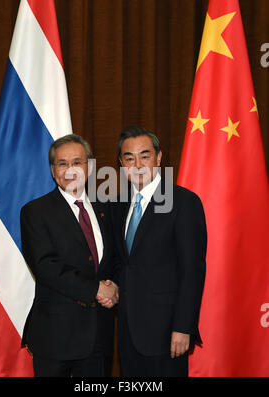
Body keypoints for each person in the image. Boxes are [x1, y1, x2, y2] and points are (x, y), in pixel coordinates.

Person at [110, 126, 207, 377]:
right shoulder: (117, 205)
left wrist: (183, 327)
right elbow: (122, 264)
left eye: (145, 155)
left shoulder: (183, 202)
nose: (138, 164)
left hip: (168, 333)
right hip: (129, 333)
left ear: (159, 158)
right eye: (129, 158)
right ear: (121, 163)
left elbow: (192, 271)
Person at [20, 134, 118, 377]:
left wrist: (115, 287)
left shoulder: (107, 207)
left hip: (99, 335)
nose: (70, 170)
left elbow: (116, 258)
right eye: (62, 164)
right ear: (53, 171)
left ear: (90, 167)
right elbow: (46, 266)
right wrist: (96, 289)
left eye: (77, 162)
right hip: (56, 336)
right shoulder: (35, 211)